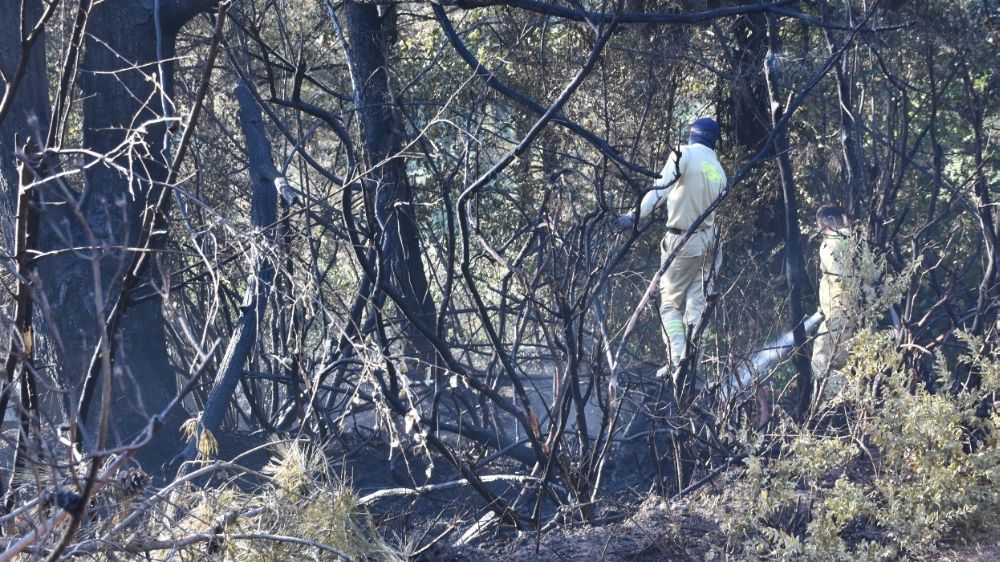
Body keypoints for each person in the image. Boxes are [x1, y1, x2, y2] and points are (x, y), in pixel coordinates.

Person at [615, 117, 726, 383]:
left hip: (683, 241)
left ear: (692, 135)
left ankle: (678, 362)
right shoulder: (719, 170)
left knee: (670, 305)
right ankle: (692, 363)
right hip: (711, 242)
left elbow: (659, 190)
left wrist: (633, 217)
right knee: (697, 307)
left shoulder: (683, 154)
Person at [811, 205, 854, 402]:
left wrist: (836, 306)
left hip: (841, 311)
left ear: (825, 222)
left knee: (824, 354)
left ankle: (833, 402)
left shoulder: (830, 244)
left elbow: (841, 277)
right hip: (864, 312)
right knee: (852, 358)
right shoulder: (857, 241)